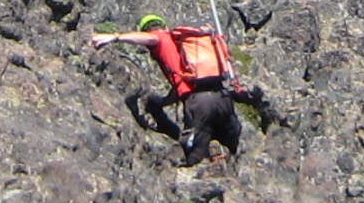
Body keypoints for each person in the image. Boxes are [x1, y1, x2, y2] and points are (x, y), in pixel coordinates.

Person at [90, 14, 268, 164]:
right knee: (231, 150)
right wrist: (162, 102)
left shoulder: (161, 38)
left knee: (195, 158)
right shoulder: (187, 46)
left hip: (199, 104)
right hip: (223, 98)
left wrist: (116, 37)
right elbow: (182, 87)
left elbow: (152, 38)